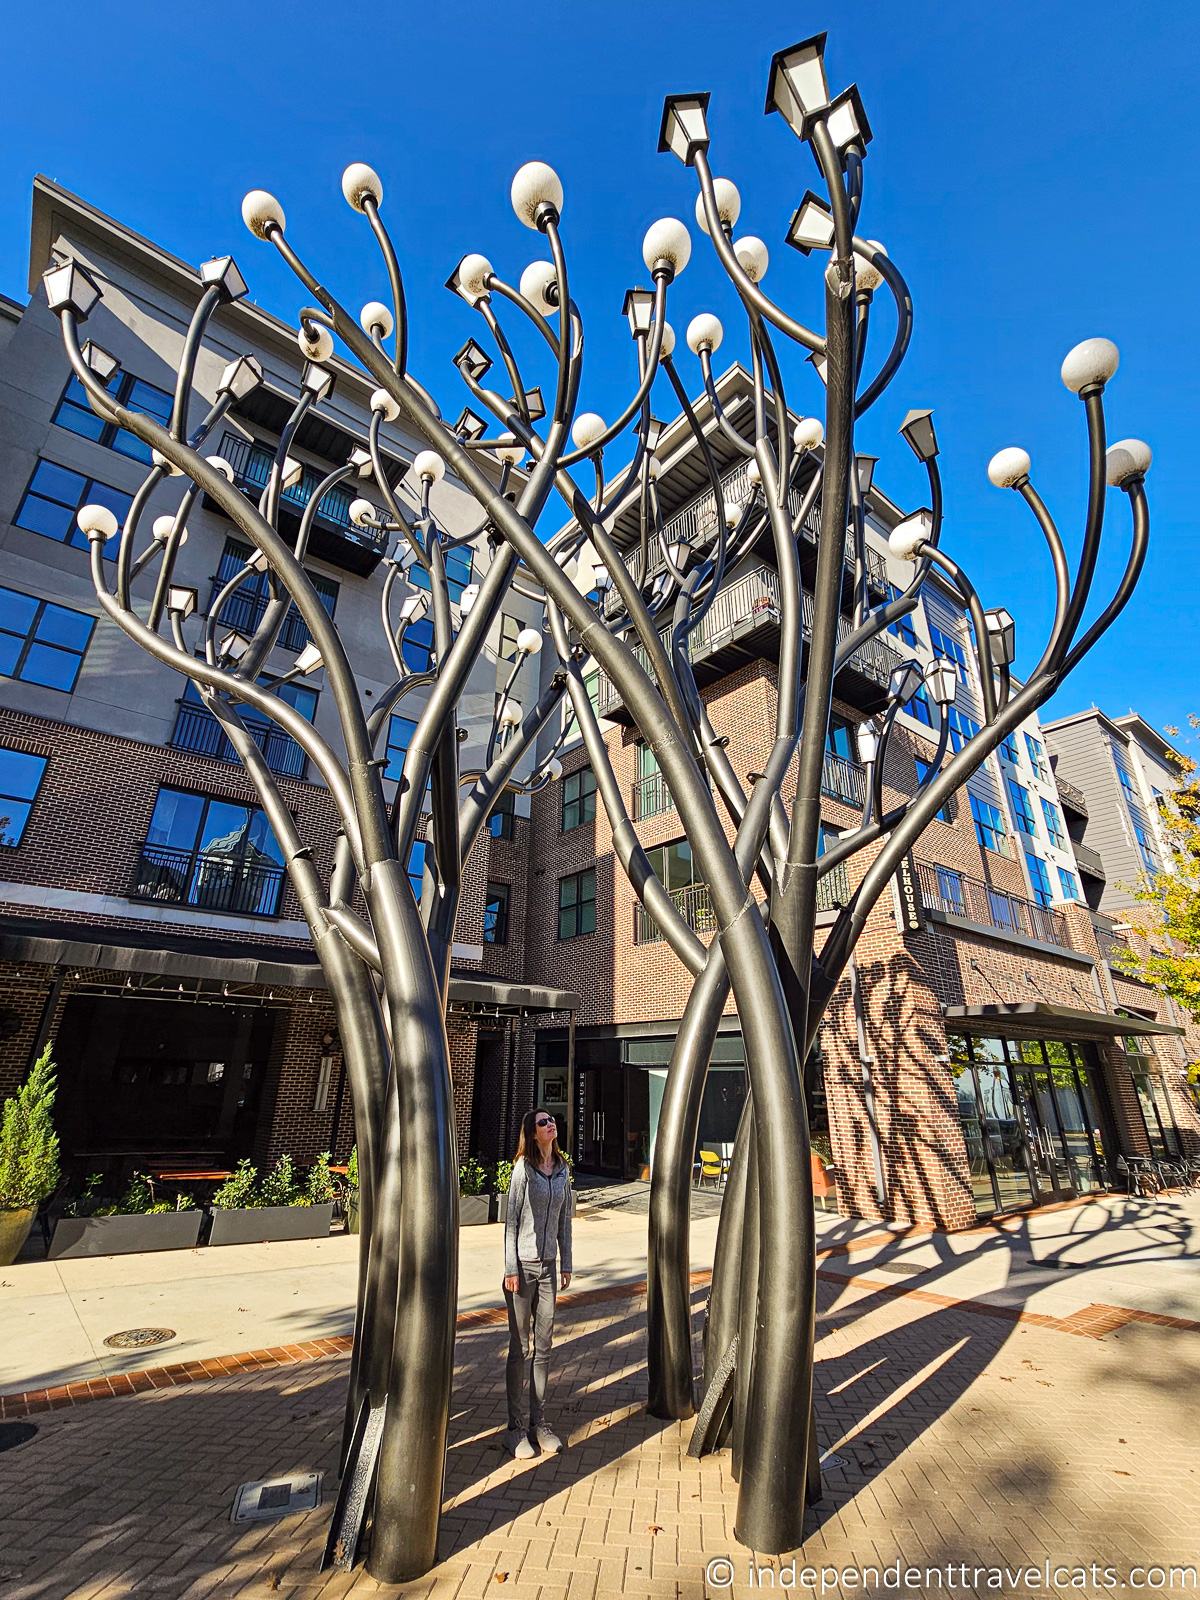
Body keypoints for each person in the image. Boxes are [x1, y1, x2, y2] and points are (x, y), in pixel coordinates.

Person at [502, 1106, 574, 1458]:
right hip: (522, 1269)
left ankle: (539, 1423)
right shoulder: (523, 1170)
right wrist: (510, 1268)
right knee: (521, 1349)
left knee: (544, 1348)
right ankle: (515, 1428)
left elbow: (565, 1222)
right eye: (544, 1122)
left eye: (552, 1120)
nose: (551, 1125)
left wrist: (567, 1262)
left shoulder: (562, 1171)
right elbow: (511, 1222)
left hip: (548, 1269)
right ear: (532, 1133)